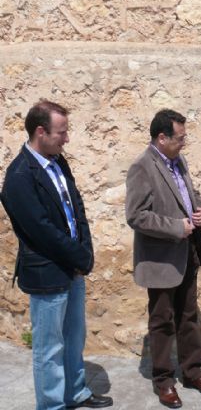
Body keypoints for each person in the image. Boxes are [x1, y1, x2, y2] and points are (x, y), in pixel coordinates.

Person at [0, 100, 113, 409]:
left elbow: (75, 207)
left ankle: (74, 392)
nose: (66, 138)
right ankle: (52, 405)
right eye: (61, 132)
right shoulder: (19, 176)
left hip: (73, 267)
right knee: (49, 348)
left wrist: (86, 250)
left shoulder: (58, 161)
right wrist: (80, 257)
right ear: (40, 131)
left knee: (74, 338)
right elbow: (42, 231)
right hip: (48, 272)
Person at [125, 109, 201, 408]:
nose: (184, 142)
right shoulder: (142, 166)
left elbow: (191, 194)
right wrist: (176, 227)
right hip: (161, 258)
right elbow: (136, 216)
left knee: (189, 316)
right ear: (161, 137)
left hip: (187, 252)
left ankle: (192, 372)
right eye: (180, 138)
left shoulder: (180, 162)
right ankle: (164, 380)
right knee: (162, 319)